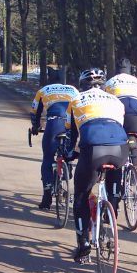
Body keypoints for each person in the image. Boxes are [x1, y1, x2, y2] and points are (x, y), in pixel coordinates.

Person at [65, 68, 128, 263]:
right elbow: (118, 127)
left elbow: (71, 134)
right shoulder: (116, 101)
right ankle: (113, 208)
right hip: (119, 148)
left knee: (81, 197)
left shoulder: (75, 101)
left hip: (92, 149)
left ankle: (83, 244)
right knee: (114, 179)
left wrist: (70, 153)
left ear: (82, 85)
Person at [30, 71, 79, 209]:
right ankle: (66, 174)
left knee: (48, 158)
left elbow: (35, 112)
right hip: (71, 124)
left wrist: (35, 127)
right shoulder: (73, 89)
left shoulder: (43, 90)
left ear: (49, 80)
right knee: (68, 153)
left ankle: (47, 197)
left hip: (54, 123)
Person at [103, 58, 137, 166]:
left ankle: (116, 166)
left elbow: (103, 102)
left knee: (115, 137)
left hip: (119, 113)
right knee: (133, 136)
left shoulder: (110, 81)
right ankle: (133, 171)